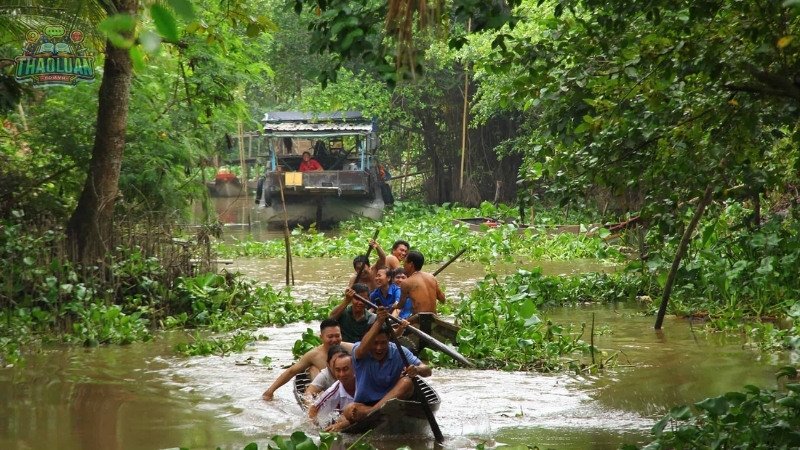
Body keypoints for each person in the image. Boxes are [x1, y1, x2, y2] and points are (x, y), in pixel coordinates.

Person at [342, 308, 429, 424]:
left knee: (407, 381)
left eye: (383, 343)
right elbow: (361, 350)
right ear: (368, 341)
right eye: (375, 343)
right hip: (365, 404)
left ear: (389, 339)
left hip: (393, 401)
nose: (379, 348)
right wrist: (379, 321)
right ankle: (374, 412)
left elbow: (427, 370)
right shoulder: (360, 349)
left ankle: (372, 413)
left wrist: (417, 369)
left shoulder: (398, 350)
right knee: (349, 410)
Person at [262, 319, 350, 400]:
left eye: (337, 336)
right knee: (313, 369)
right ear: (321, 337)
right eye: (330, 337)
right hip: (327, 390)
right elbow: (291, 371)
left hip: (349, 388)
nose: (334, 340)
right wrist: (270, 391)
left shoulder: (351, 349)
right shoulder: (314, 355)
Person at [308, 351, 357, 431]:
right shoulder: (333, 391)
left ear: (354, 368)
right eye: (338, 370)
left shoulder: (364, 382)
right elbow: (313, 410)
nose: (342, 374)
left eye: (345, 369)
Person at [396, 250, 445, 315]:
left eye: (404, 262)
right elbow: (443, 299)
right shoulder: (431, 277)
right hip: (434, 319)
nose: (403, 265)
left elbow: (400, 306)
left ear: (411, 264)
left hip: (419, 320)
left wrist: (393, 306)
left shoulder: (406, 282)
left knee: (398, 324)